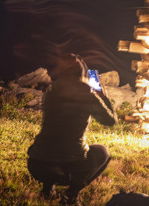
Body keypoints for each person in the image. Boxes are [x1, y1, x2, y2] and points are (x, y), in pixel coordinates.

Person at [27, 54, 117, 206]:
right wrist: (102, 96)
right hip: (69, 165)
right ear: (82, 73)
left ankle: (48, 189)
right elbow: (110, 121)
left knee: (53, 145)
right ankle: (71, 194)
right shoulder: (86, 94)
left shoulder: (51, 91)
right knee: (103, 152)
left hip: (37, 165)